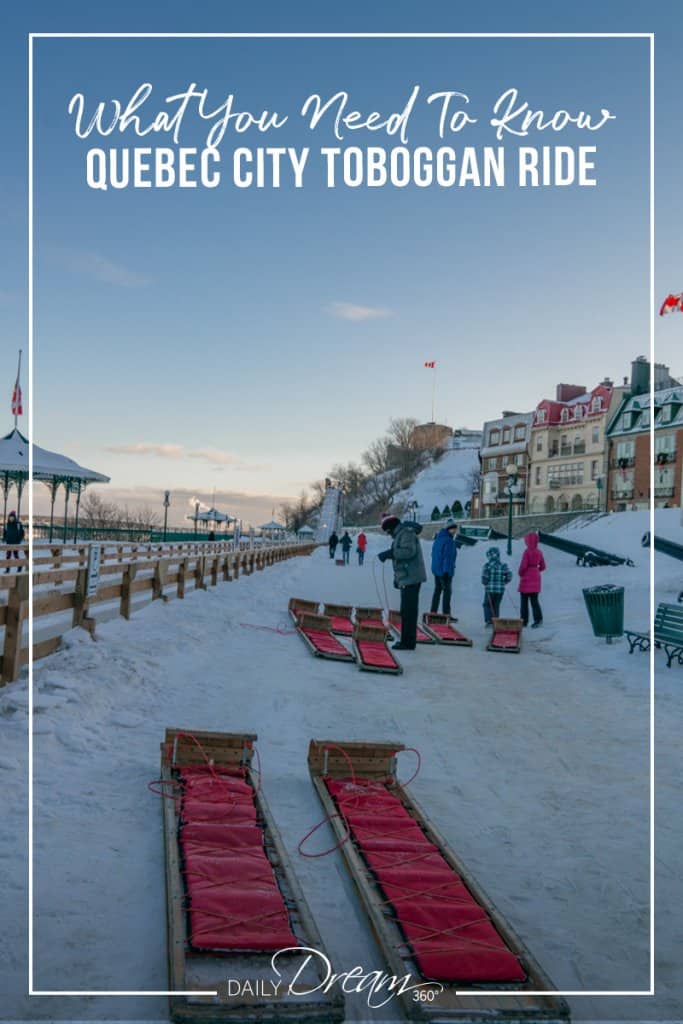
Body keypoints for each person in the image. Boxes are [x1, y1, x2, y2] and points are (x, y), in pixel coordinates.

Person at [377, 513, 426, 650]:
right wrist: (398, 579)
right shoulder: (400, 534)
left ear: (392, 527)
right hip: (407, 577)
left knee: (409, 612)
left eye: (388, 531)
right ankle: (407, 640)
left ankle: (408, 642)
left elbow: (408, 552)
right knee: (406, 611)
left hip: (412, 578)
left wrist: (390, 553)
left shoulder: (406, 533)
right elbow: (400, 561)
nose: (388, 534)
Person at [430, 518, 459, 618]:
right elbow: (447, 557)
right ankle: (446, 614)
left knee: (437, 591)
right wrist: (446, 571)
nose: (454, 531)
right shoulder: (449, 540)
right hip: (444, 571)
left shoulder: (438, 539)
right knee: (447, 592)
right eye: (452, 529)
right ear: (448, 529)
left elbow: (434, 554)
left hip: (436, 570)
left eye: (455, 529)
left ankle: (433, 612)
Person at [518, 532, 546, 628]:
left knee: (524, 602)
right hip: (536, 577)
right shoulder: (539, 552)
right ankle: (538, 620)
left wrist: (520, 573)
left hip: (526, 579)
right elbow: (543, 566)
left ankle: (524, 621)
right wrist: (536, 570)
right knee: (535, 601)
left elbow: (523, 566)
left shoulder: (526, 552)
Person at [481, 546, 512, 625]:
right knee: (496, 605)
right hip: (500, 590)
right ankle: (496, 621)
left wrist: (484, 581)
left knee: (487, 604)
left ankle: (488, 621)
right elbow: (509, 575)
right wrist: (504, 581)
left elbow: (485, 577)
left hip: (490, 589)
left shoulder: (487, 566)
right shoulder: (503, 565)